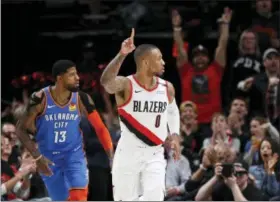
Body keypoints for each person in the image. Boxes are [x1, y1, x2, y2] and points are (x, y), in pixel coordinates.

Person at [16, 59, 114, 201]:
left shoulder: (81, 98)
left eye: (77, 74)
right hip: (49, 159)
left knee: (79, 196)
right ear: (59, 78)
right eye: (72, 75)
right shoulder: (40, 99)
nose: (78, 78)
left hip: (74, 157)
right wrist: (37, 157)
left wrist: (111, 157)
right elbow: (20, 130)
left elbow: (100, 128)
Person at [100, 28, 181, 201]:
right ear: (145, 62)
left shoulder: (167, 87)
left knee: (155, 198)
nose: (164, 62)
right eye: (159, 58)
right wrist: (122, 54)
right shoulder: (126, 85)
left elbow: (173, 110)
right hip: (128, 153)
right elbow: (106, 82)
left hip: (154, 153)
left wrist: (174, 135)